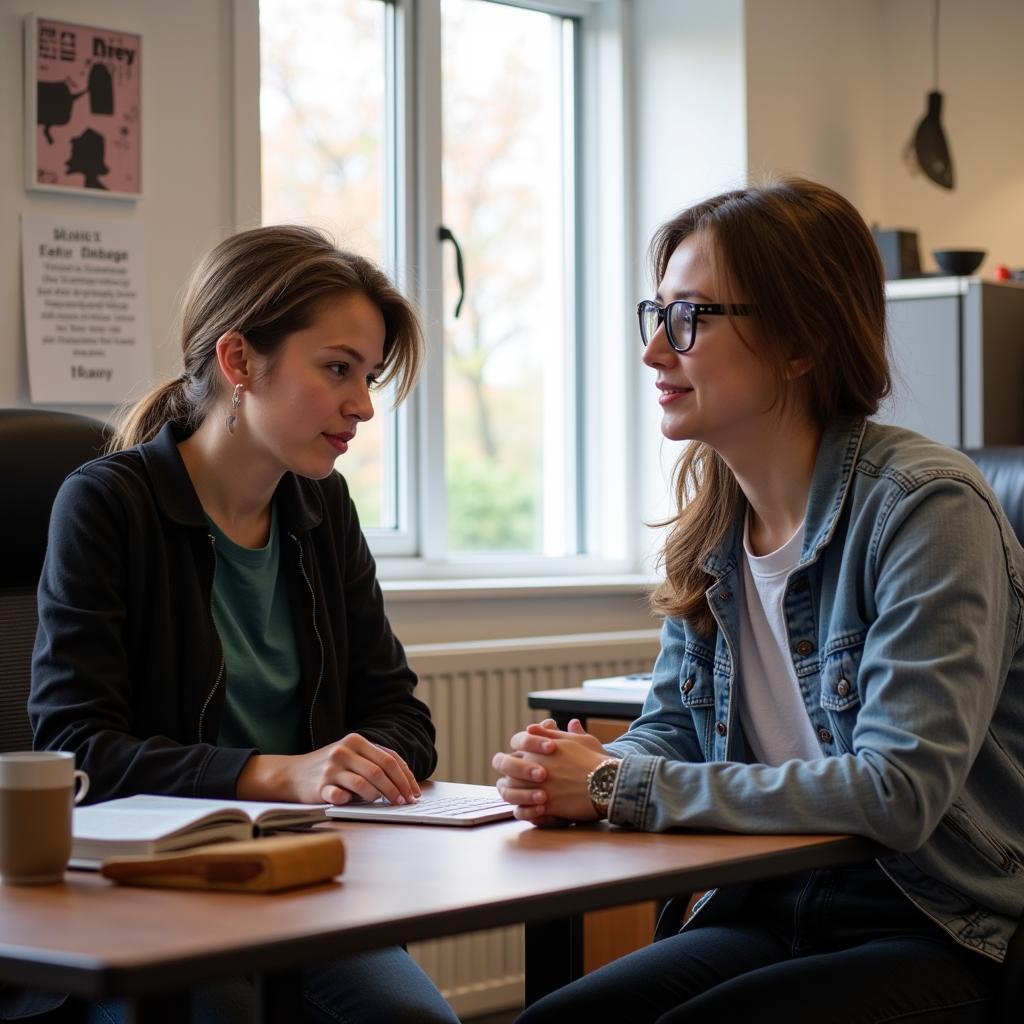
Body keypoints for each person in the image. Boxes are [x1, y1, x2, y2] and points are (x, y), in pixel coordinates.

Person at [492, 177, 1024, 1023]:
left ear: (800, 341)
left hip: (936, 922)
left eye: (691, 318)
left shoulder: (926, 508)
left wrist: (614, 791)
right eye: (655, 314)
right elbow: (675, 727)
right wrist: (571, 766)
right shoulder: (714, 526)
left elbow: (898, 791)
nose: (655, 352)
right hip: (769, 903)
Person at [29, 225, 459, 1024]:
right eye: (337, 369)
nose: (362, 405)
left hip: (296, 881)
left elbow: (401, 715)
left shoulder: (321, 508)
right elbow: (73, 748)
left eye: (366, 377)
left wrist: (361, 765)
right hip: (143, 893)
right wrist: (275, 773)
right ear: (238, 363)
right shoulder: (108, 504)